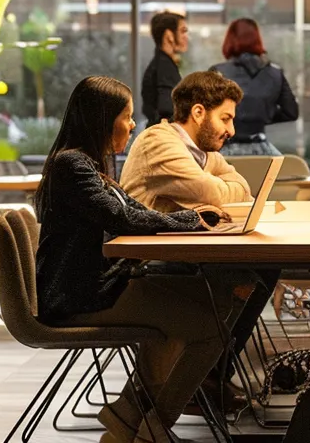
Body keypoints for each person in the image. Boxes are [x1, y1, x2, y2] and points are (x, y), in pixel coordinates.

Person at [33, 76, 260, 443]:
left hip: (99, 287)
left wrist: (191, 219)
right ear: (103, 118)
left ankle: (129, 417)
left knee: (219, 298)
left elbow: (135, 211)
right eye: (127, 116)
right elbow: (124, 218)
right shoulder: (72, 166)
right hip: (79, 298)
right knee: (212, 327)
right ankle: (153, 428)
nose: (133, 125)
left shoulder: (86, 166)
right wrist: (190, 221)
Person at [121, 71, 253, 213]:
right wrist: (218, 185)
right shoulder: (157, 142)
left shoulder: (204, 151)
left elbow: (245, 191)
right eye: (225, 119)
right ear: (198, 113)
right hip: (143, 229)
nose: (231, 131)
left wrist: (216, 185)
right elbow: (211, 194)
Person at [210, 18, 298, 156]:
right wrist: (266, 113)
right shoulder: (276, 73)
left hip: (226, 150)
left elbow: (206, 114)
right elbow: (291, 112)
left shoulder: (218, 73)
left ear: (229, 40)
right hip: (262, 151)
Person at [139, 12, 188, 127]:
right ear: (169, 35)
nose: (186, 36)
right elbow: (167, 109)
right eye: (183, 31)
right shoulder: (164, 66)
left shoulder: (160, 63)